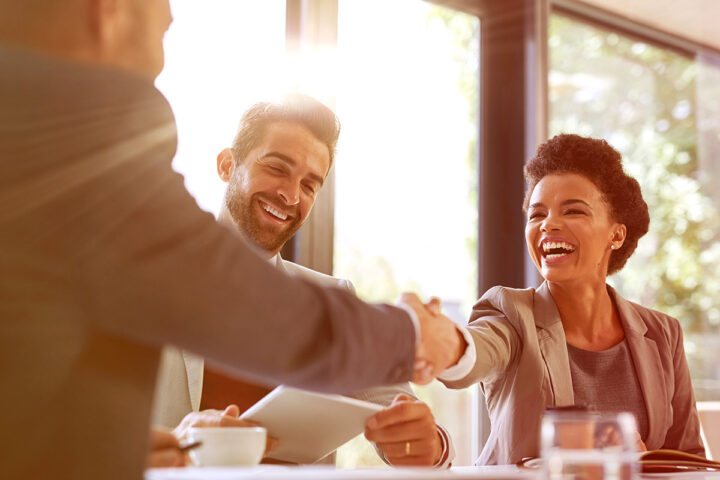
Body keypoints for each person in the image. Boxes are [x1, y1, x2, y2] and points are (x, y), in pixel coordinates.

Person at [0, 1, 466, 479]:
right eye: (162, 21)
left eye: (310, 183)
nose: (167, 30)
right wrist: (412, 333)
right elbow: (222, 294)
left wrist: (123, 449)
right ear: (110, 10)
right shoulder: (85, 132)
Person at [151, 95, 455, 468]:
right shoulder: (149, 274)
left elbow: (400, 412)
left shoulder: (334, 298)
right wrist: (184, 440)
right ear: (227, 165)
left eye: (310, 185)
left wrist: (429, 445)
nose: (291, 195)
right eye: (277, 168)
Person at [441, 134, 705, 464]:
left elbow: (689, 461)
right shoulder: (509, 313)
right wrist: (439, 343)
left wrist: (642, 462)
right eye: (537, 215)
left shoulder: (663, 333)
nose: (549, 223)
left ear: (616, 234)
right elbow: (471, 354)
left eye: (573, 211)